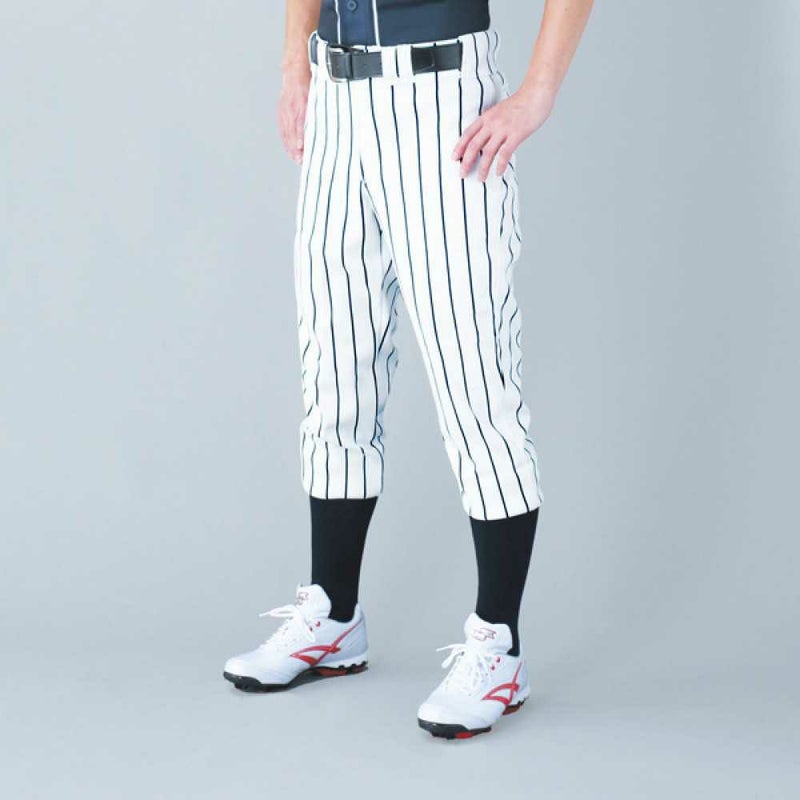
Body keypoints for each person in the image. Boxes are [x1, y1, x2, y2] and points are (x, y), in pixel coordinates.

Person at [224, 0, 593, 740]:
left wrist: (538, 92)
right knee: (336, 370)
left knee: (474, 382)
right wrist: (295, 63)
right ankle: (334, 614)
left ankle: (499, 645)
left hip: (439, 98)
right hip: (336, 98)